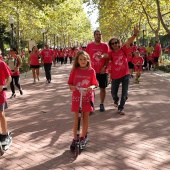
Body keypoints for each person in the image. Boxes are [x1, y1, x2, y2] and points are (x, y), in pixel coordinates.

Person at [99, 27, 139, 115]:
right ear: (111, 45)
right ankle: (116, 100)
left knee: (125, 93)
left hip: (125, 75)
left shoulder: (123, 49)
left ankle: (121, 108)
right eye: (112, 43)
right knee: (113, 93)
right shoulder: (111, 53)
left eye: (116, 42)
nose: (115, 44)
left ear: (118, 43)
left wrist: (135, 35)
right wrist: (101, 56)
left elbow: (128, 41)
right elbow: (105, 55)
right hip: (115, 76)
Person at [68, 50, 98, 151]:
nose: (83, 61)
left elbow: (95, 83)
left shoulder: (91, 71)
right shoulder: (74, 70)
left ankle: (83, 136)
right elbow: (70, 83)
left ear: (88, 60)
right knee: (77, 118)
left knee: (85, 117)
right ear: (77, 60)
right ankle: (74, 138)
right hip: (77, 97)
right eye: (81, 59)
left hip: (87, 97)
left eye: (84, 59)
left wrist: (91, 87)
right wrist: (72, 87)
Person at [86, 30, 109, 112]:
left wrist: (105, 67)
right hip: (92, 71)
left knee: (102, 88)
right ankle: (91, 106)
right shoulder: (89, 45)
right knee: (91, 89)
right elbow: (87, 58)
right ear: (94, 36)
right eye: (97, 34)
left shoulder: (105, 45)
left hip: (103, 71)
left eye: (100, 34)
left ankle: (102, 104)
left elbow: (108, 58)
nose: (98, 36)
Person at [0, 60, 12, 146]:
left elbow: (9, 78)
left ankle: (4, 134)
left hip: (0, 95)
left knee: (1, 114)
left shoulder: (1, 63)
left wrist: (4, 87)